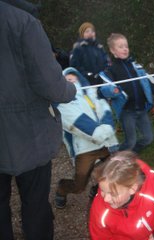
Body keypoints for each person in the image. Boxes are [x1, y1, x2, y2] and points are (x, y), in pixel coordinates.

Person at [0, 2, 76, 240]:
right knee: (35, 204)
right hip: (28, 133)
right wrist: (70, 89)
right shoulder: (23, 22)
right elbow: (51, 85)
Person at [54, 67, 120, 209]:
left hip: (105, 143)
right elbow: (74, 121)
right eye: (68, 79)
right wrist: (99, 132)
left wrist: (107, 128)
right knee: (79, 186)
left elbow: (104, 110)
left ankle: (97, 190)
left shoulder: (91, 94)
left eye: (74, 78)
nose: (72, 80)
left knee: (112, 171)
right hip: (85, 149)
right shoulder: (63, 102)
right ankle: (62, 188)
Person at [99, 33, 154, 153]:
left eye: (126, 46)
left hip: (141, 109)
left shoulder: (136, 66)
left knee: (149, 138)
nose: (125, 49)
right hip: (127, 111)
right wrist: (113, 90)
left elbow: (150, 81)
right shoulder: (110, 69)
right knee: (130, 141)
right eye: (120, 46)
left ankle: (132, 153)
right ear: (113, 50)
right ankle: (117, 155)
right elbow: (105, 87)